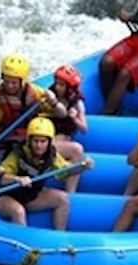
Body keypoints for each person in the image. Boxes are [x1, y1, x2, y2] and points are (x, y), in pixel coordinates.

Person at [0, 117, 93, 230]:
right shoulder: (18, 153)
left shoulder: (52, 155)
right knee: (18, 212)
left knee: (63, 199)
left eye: (43, 141)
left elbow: (65, 172)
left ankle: (59, 237)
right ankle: (23, 245)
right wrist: (17, 179)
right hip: (4, 195)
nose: (39, 145)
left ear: (49, 142)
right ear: (29, 140)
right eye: (35, 141)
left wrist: (82, 167)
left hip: (29, 196)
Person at [41, 64, 88, 192]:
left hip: (61, 142)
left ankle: (69, 194)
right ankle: (70, 193)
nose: (57, 87)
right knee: (77, 150)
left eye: (62, 85)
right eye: (57, 83)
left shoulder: (77, 102)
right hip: (46, 142)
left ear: (69, 88)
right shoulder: (48, 98)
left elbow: (84, 129)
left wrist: (74, 119)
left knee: (77, 151)